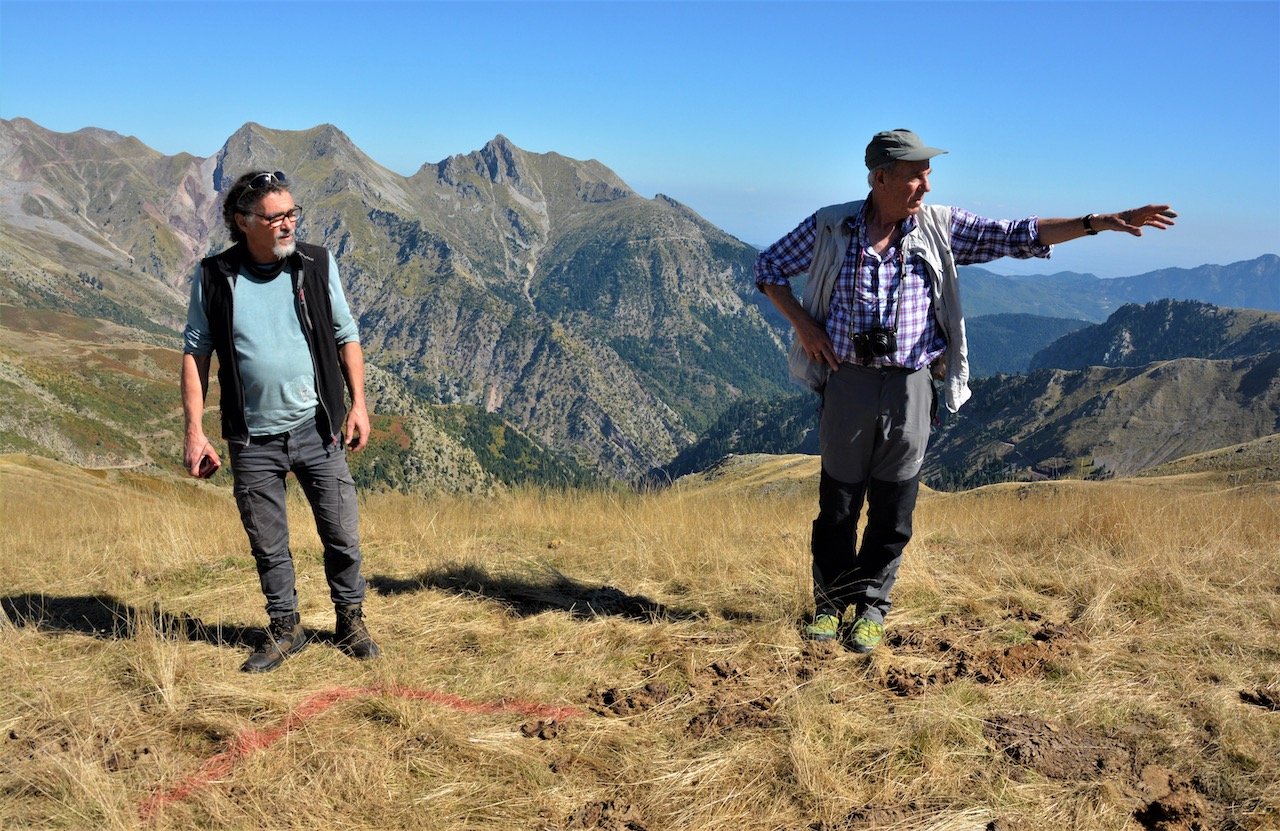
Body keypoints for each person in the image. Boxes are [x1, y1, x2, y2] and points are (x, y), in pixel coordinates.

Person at [755, 129, 1176, 653]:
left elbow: (1017, 235)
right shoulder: (830, 225)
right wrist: (803, 326)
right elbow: (768, 268)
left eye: (928, 174)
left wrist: (1097, 223)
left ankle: (871, 608)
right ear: (881, 177)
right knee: (838, 500)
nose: (925, 185)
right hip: (849, 379)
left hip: (911, 383)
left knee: (893, 503)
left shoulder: (938, 227)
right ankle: (829, 604)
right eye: (916, 174)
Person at [181, 170, 381, 672]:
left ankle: (350, 620)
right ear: (243, 222)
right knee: (268, 544)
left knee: (341, 534)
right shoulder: (214, 276)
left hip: (318, 428)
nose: (289, 223)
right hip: (252, 438)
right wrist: (195, 430)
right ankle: (285, 628)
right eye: (277, 217)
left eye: (293, 213)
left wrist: (358, 404)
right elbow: (195, 353)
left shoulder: (316, 263)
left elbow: (345, 333)